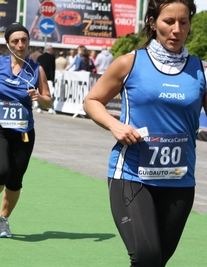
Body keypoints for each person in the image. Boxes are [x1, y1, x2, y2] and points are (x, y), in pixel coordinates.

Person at [83, 0, 206, 266]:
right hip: (131, 175)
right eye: (169, 21)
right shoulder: (129, 63)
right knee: (146, 257)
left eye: (183, 22)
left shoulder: (200, 70)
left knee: (158, 260)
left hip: (179, 180)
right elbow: (92, 101)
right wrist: (115, 125)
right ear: (153, 22)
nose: (177, 29)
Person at [0, 22, 52, 238]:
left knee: (15, 182)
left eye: (24, 40)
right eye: (15, 41)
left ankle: (4, 221)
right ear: (8, 44)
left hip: (23, 131)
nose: (20, 44)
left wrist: (39, 98)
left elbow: (48, 101)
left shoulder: (36, 69)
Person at [37, 45, 56, 114]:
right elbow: (52, 69)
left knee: (40, 93)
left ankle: (39, 107)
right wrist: (52, 78)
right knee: (50, 93)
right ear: (50, 49)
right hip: (48, 78)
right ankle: (50, 108)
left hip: (40, 78)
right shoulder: (52, 58)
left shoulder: (40, 57)